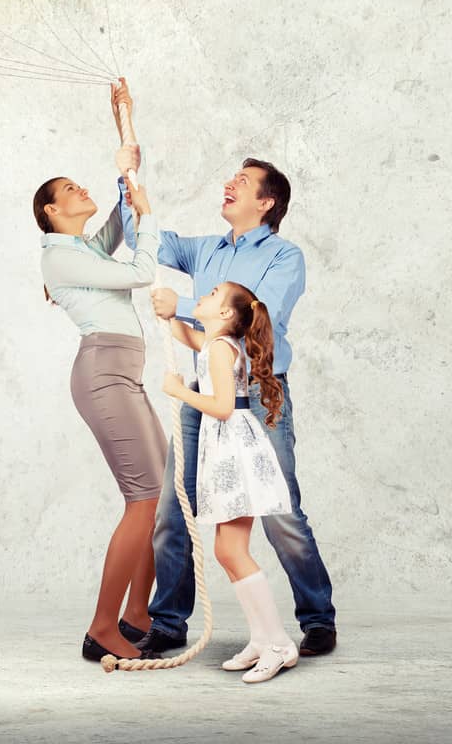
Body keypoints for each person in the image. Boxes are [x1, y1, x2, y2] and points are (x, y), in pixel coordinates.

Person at [135, 158, 339, 660]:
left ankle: (317, 619)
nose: (229, 184)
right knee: (173, 510)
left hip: (257, 398)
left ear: (266, 203)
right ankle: (167, 622)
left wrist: (180, 305)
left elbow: (253, 315)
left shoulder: (284, 256)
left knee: (280, 511)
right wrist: (131, 185)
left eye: (243, 182)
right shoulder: (203, 249)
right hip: (206, 391)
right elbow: (148, 239)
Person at [34, 81, 167, 664]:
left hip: (123, 373)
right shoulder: (59, 254)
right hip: (104, 374)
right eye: (70, 189)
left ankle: (138, 614)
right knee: (143, 498)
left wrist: (125, 137)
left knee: (156, 500)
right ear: (51, 210)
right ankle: (102, 629)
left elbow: (119, 224)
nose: (78, 188)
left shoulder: (84, 247)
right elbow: (139, 268)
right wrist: (149, 217)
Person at [162, 280, 298, 683]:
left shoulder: (221, 349)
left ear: (224, 315)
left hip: (233, 449)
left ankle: (277, 642)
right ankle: (260, 638)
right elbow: (182, 331)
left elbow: (222, 407)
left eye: (212, 294)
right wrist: (166, 310)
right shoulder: (214, 343)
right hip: (226, 449)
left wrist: (177, 391)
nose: (201, 296)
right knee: (226, 550)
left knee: (234, 551)